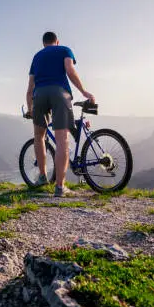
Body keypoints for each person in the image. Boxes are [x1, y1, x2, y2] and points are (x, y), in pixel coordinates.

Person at [25, 31, 95, 197]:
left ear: (44, 44)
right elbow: (69, 70)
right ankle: (59, 187)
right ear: (57, 41)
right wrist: (84, 91)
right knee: (62, 139)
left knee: (39, 137)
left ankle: (42, 177)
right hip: (60, 94)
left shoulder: (37, 57)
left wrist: (30, 108)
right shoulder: (64, 50)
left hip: (39, 94)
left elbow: (29, 88)